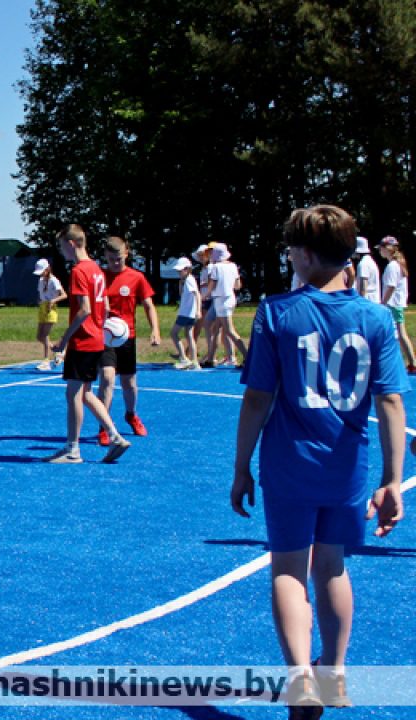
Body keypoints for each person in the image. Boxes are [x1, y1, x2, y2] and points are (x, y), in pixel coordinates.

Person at [231, 205, 405, 714]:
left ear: (305, 255)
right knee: (331, 568)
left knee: (288, 570)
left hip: (289, 462)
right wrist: (393, 479)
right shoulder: (375, 318)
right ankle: (335, 673)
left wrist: (242, 465)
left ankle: (301, 678)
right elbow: (391, 400)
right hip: (347, 464)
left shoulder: (278, 311)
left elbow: (258, 397)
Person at [44, 225, 131, 464]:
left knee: (72, 393)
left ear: (71, 244)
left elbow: (85, 309)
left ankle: (73, 449)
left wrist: (64, 339)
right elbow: (100, 307)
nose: (62, 252)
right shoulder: (96, 269)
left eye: (63, 247)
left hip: (83, 340)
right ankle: (115, 436)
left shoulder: (80, 271)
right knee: (85, 392)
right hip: (96, 339)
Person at [96, 236, 161, 444]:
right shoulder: (99, 277)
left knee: (129, 382)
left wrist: (155, 330)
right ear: (105, 256)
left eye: (119, 259)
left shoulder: (136, 278)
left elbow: (149, 305)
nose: (115, 263)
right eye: (111, 259)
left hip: (127, 337)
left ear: (126, 253)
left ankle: (131, 414)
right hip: (105, 338)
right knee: (107, 378)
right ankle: (105, 426)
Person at [201, 242, 248, 368]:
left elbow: (212, 285)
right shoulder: (233, 266)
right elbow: (237, 286)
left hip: (221, 300)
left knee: (229, 330)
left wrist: (203, 297)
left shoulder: (216, 267)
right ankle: (210, 358)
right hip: (230, 298)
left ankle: (248, 357)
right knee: (216, 329)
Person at [378, 236, 416, 373]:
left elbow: (391, 286)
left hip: (392, 304)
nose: (380, 251)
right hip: (397, 303)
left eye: (381, 248)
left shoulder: (392, 266)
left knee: (396, 334)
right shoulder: (397, 264)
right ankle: (412, 363)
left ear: (386, 248)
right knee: (400, 334)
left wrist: (383, 303)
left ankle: (406, 363)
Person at [33, 258, 67, 370]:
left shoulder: (54, 280)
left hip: (51, 308)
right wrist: (40, 301)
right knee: (39, 336)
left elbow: (64, 295)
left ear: (47, 270)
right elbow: (40, 293)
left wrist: (53, 300)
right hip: (42, 307)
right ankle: (58, 351)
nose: (40, 274)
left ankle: (46, 360)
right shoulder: (41, 280)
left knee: (45, 335)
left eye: (42, 271)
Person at [168, 257, 201, 370]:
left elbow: (197, 294)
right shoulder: (186, 280)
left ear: (187, 269)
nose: (179, 272)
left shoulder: (189, 280)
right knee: (189, 335)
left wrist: (198, 310)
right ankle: (194, 361)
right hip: (188, 312)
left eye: (181, 270)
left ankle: (183, 358)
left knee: (173, 333)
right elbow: (182, 294)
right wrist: (180, 283)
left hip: (186, 313)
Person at [354, 236, 380, 303]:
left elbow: (363, 285)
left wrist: (361, 302)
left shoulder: (363, 264)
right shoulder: (370, 261)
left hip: (368, 299)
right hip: (374, 299)